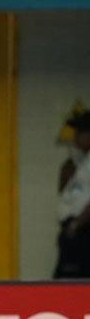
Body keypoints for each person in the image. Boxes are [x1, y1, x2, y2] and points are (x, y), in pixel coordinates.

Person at [55, 110, 90, 278]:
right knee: (63, 281)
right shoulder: (83, 161)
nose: (75, 137)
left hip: (81, 230)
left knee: (72, 283)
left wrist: (76, 224)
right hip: (72, 229)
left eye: (79, 133)